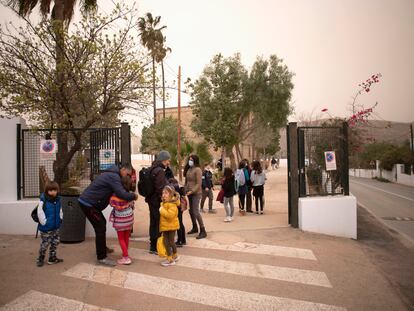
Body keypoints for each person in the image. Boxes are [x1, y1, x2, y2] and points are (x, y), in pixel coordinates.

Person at [79, 163, 137, 266]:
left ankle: (102, 248)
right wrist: (133, 196)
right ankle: (101, 257)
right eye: (127, 174)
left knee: (102, 224)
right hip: (88, 204)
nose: (127, 177)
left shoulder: (113, 174)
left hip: (92, 204)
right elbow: (121, 193)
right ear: (123, 169)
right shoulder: (113, 176)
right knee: (100, 227)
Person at [147, 150, 171, 254]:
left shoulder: (152, 168)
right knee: (158, 223)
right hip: (156, 201)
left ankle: (152, 245)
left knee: (153, 222)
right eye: (167, 160)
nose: (168, 162)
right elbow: (161, 188)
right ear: (163, 160)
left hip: (151, 200)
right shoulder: (160, 171)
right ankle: (157, 246)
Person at [36, 181, 63, 267]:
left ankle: (52, 258)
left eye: (54, 190)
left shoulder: (58, 199)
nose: (53, 192)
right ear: (47, 191)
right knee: (45, 243)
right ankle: (40, 258)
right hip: (46, 227)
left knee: (55, 242)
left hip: (56, 226)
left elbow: (60, 210)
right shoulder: (43, 200)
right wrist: (44, 222)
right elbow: (39, 212)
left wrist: (60, 218)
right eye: (50, 190)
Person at [109, 175, 135, 265]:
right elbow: (132, 205)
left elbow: (111, 203)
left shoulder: (115, 195)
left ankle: (126, 257)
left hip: (121, 220)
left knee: (121, 238)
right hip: (129, 218)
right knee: (126, 237)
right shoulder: (130, 194)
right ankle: (125, 253)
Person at [184, 154, 207, 239]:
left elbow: (199, 183)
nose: (190, 161)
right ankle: (195, 227)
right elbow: (187, 182)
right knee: (191, 211)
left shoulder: (198, 170)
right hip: (189, 193)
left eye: (192, 160)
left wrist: (192, 191)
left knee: (196, 211)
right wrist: (185, 190)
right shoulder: (189, 169)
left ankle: (203, 230)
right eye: (189, 159)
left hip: (196, 193)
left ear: (195, 161)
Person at [159, 185, 180, 266]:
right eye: (163, 193)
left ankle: (170, 260)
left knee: (167, 242)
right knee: (170, 241)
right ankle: (175, 255)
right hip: (167, 226)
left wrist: (162, 210)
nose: (164, 194)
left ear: (171, 194)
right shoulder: (166, 203)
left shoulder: (171, 204)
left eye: (166, 193)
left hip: (170, 226)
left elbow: (170, 216)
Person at [165, 168, 186, 247]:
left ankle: (180, 241)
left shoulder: (171, 186)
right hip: (180, 207)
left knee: (178, 224)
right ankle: (183, 239)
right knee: (180, 223)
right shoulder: (178, 185)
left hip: (176, 208)